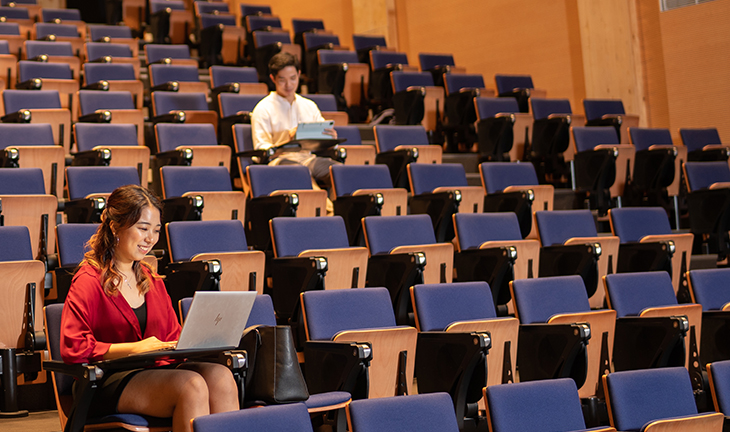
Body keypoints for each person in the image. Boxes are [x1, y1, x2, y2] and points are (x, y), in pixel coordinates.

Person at [60, 185, 239, 432]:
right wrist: (135, 348)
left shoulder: (151, 279)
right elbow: (74, 348)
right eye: (143, 229)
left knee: (222, 378)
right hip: (103, 380)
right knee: (191, 385)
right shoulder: (89, 279)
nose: (150, 239)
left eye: (155, 230)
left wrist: (196, 341)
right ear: (115, 227)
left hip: (155, 371)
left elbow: (172, 336)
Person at [251, 52, 340, 187]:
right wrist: (287, 141)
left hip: (308, 158)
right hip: (280, 161)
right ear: (273, 78)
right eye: (282, 80)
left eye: (293, 78)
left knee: (339, 172)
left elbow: (322, 136)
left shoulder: (309, 105)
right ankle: (323, 202)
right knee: (301, 173)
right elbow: (261, 149)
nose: (289, 85)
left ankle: (337, 201)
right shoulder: (263, 108)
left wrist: (331, 140)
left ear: (299, 74)